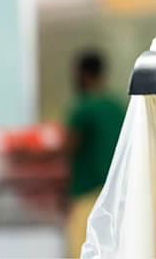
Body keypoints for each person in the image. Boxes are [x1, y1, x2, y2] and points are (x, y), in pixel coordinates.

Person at [65, 50, 125, 259]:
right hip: (116, 196)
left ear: (83, 75)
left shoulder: (83, 109)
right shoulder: (118, 107)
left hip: (87, 197)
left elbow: (68, 147)